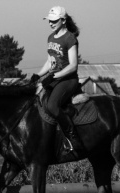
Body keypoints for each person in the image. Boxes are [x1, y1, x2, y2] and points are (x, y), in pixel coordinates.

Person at [30, 6, 83, 153]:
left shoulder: (70, 38)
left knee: (52, 106)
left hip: (68, 80)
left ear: (63, 20)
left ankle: (73, 138)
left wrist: (53, 76)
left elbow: (73, 66)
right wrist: (39, 75)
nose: (51, 23)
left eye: (54, 21)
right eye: (49, 21)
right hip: (54, 78)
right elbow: (50, 62)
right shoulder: (51, 37)